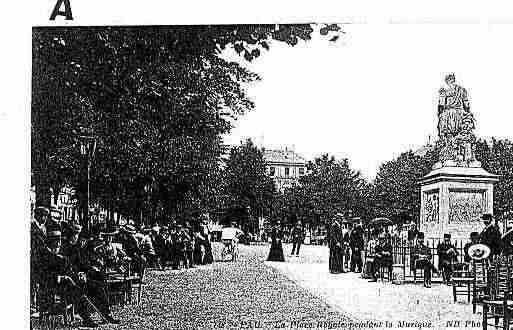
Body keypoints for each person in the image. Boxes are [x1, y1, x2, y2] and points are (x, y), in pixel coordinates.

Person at [36, 230, 100, 328]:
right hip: (49, 286)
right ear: (50, 242)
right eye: (56, 241)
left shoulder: (60, 255)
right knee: (75, 291)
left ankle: (86, 315)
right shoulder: (43, 255)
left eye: (59, 241)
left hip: (62, 284)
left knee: (80, 285)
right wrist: (60, 278)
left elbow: (68, 269)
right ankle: (86, 318)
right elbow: (42, 275)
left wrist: (78, 275)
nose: (59, 243)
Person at [60, 224, 120, 325]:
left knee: (100, 284)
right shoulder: (65, 248)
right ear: (70, 235)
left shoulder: (77, 247)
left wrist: (90, 270)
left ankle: (106, 314)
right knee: (83, 289)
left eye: (78, 235)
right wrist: (78, 274)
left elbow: (83, 263)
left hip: (80, 277)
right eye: (75, 235)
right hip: (69, 280)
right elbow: (66, 267)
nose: (77, 237)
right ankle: (86, 318)